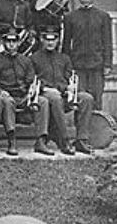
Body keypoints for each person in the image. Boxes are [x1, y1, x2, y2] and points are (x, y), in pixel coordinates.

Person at [33, 24, 95, 155]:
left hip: (64, 95)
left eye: (53, 39)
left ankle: (81, 139)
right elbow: (31, 81)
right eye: (47, 39)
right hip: (46, 95)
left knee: (86, 98)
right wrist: (45, 89)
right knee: (55, 98)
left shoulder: (64, 58)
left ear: (57, 40)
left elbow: (69, 77)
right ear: (41, 39)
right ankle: (64, 139)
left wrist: (70, 88)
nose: (50, 43)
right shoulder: (34, 58)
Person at [0, 27, 49, 156]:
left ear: (18, 43)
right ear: (3, 43)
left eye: (14, 41)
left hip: (23, 96)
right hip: (6, 95)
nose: (11, 44)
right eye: (8, 41)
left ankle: (41, 140)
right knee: (8, 102)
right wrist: (0, 91)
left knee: (43, 101)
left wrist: (30, 93)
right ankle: (12, 139)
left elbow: (30, 79)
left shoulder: (25, 61)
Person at [62, 0, 112, 110]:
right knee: (80, 99)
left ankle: (96, 129)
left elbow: (107, 41)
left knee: (96, 99)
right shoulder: (70, 17)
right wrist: (66, 65)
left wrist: (107, 64)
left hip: (97, 65)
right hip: (78, 65)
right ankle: (81, 130)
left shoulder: (102, 16)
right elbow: (66, 44)